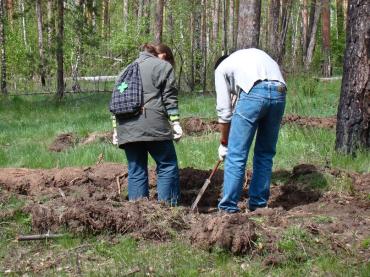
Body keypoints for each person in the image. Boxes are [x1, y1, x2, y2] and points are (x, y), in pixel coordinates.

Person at [214, 48, 287, 213]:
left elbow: (224, 113)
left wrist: (225, 143)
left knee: (236, 154)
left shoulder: (220, 69)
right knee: (265, 153)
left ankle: (227, 208)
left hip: (254, 91)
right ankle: (259, 204)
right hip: (280, 91)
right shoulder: (247, 58)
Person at [115, 43, 183, 206]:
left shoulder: (124, 71)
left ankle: (139, 214)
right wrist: (175, 123)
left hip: (126, 127)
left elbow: (116, 102)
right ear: (162, 55)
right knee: (167, 164)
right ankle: (168, 210)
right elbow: (169, 98)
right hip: (154, 125)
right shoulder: (163, 67)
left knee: (136, 169)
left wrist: (115, 130)